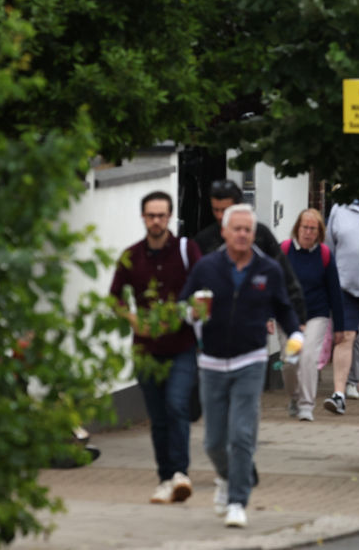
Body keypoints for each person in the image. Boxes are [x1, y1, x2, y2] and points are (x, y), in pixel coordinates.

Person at [180, 204, 303, 529]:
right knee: (214, 442)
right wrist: (191, 313)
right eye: (236, 229)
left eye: (248, 229)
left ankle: (237, 501)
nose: (242, 234)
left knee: (243, 434)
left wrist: (297, 334)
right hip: (211, 361)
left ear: (253, 233)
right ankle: (225, 477)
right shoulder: (207, 267)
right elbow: (183, 303)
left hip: (251, 360)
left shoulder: (268, 269)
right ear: (224, 231)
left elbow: (284, 307)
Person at [109, 190, 202, 504]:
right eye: (151, 215)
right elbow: (115, 297)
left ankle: (180, 473)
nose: (157, 221)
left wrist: (184, 314)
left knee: (177, 404)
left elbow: (204, 293)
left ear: (170, 216)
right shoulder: (131, 256)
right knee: (158, 417)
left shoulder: (187, 251)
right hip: (146, 349)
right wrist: (132, 319)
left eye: (162, 215)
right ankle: (166, 478)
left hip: (182, 345)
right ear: (143, 218)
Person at [280, 209, 345, 422]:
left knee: (307, 356)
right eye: (304, 227)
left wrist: (339, 327)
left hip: (316, 314)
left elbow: (335, 292)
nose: (308, 232)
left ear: (319, 232)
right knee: (289, 360)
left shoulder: (325, 255)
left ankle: (307, 405)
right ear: (297, 228)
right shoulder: (285, 251)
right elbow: (275, 286)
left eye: (312, 229)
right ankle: (294, 397)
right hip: (288, 315)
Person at [323, 196, 359, 413]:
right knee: (345, 336)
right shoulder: (339, 208)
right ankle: (339, 394)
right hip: (346, 286)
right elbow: (329, 247)